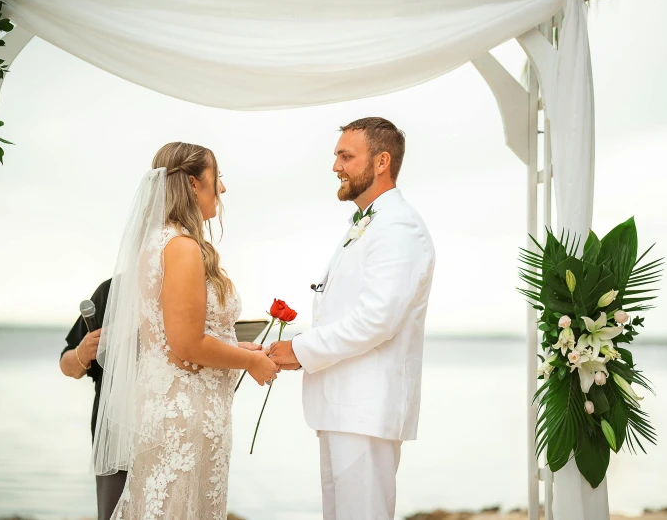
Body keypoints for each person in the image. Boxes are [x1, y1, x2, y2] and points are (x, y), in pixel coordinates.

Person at [91, 142, 279, 520]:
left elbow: (172, 337)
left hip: (177, 407)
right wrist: (248, 361)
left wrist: (238, 349)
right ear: (195, 184)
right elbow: (186, 343)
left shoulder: (159, 243)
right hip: (185, 414)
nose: (222, 189)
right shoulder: (180, 247)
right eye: (218, 177)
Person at [269, 117, 436, 520]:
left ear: (381, 162)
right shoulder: (367, 223)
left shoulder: (399, 226)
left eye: (346, 156)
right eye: (336, 156)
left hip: (366, 409)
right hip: (343, 408)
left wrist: (301, 349)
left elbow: (377, 320)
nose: (335, 167)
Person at [59, 279, 126, 520]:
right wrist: (84, 350)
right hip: (116, 439)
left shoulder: (189, 289)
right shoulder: (110, 291)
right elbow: (68, 366)